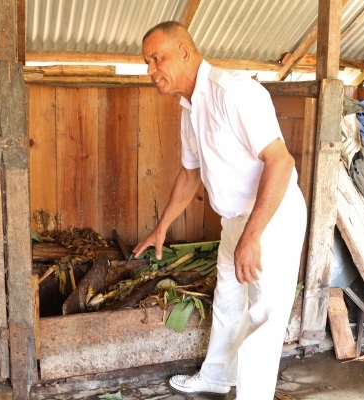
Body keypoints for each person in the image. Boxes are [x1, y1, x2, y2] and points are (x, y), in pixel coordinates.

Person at [133, 21, 307, 399]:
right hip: (236, 222)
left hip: (270, 220)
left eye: (156, 58)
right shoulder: (188, 107)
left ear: (184, 51)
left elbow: (281, 162)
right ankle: (216, 378)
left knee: (264, 316)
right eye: (148, 62)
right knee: (229, 303)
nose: (151, 70)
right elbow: (189, 175)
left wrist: (253, 236)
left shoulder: (234, 92)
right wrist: (161, 227)